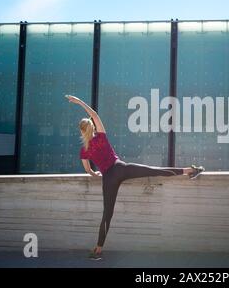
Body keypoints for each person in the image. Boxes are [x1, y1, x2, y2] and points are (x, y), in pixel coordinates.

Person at [65, 95, 205, 260]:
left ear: (82, 131)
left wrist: (95, 173)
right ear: (93, 127)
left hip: (108, 178)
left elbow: (88, 170)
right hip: (121, 169)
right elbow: (94, 114)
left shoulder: (84, 150)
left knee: (107, 214)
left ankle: (98, 250)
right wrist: (80, 102)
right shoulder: (101, 135)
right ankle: (190, 170)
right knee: (155, 170)